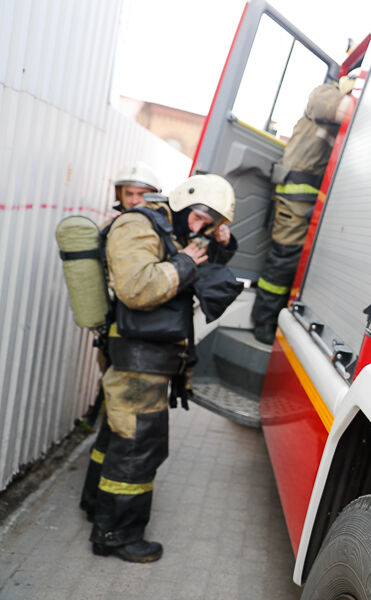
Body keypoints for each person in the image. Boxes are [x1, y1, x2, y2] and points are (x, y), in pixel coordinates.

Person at [83, 173, 236, 563]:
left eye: (209, 224)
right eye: (198, 218)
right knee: (138, 447)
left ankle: (95, 504)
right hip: (137, 357)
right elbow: (136, 287)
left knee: (118, 436)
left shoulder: (173, 228)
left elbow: (198, 266)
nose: (199, 229)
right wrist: (184, 262)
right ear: (182, 203)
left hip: (148, 356)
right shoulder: (138, 225)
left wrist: (220, 244)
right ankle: (116, 536)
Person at [251, 75, 355, 344]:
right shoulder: (325, 93)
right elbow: (343, 109)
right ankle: (263, 324)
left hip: (307, 202)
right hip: (295, 202)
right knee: (283, 261)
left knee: (292, 263)